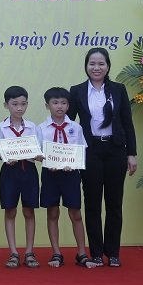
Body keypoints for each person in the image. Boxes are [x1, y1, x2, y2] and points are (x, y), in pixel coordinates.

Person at [68, 47, 137, 268]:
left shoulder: (118, 89)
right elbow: (68, 124)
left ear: (108, 66)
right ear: (86, 66)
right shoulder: (77, 91)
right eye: (92, 64)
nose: (96, 68)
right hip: (90, 152)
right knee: (92, 203)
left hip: (116, 150)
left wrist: (131, 154)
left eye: (101, 64)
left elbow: (127, 123)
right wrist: (64, 154)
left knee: (114, 203)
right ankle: (96, 253)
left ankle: (113, 253)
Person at [37, 87, 93, 268]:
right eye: (55, 103)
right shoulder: (41, 128)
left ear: (69, 105)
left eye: (63, 103)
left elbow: (81, 151)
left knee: (75, 213)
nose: (59, 106)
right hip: (50, 174)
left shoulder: (76, 128)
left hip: (71, 174)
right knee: (52, 212)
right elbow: (37, 152)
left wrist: (73, 163)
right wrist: (45, 159)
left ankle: (82, 253)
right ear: (47, 105)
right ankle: (56, 253)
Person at [0, 86, 41, 269]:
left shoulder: (32, 127)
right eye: (15, 104)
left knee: (29, 211)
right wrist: (6, 157)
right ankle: (13, 252)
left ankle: (29, 251)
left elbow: (38, 149)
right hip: (9, 172)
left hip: (29, 171)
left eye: (23, 104)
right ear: (6, 105)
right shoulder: (1, 127)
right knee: (10, 211)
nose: (19, 108)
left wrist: (39, 155)